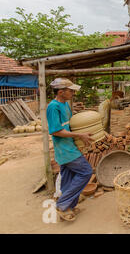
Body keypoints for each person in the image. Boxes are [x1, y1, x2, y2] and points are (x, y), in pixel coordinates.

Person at [47, 78, 93, 222]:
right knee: (86, 172)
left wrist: (80, 139)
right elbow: (55, 131)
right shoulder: (53, 107)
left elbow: (70, 125)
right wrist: (79, 135)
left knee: (68, 177)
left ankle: (68, 208)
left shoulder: (65, 105)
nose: (73, 93)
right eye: (70, 90)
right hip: (65, 149)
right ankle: (62, 205)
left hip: (70, 145)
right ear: (61, 92)